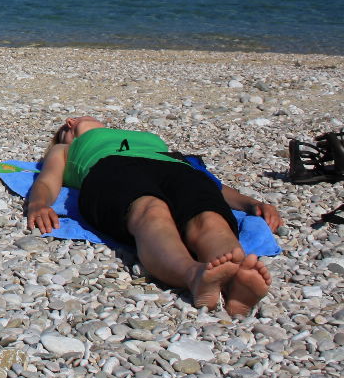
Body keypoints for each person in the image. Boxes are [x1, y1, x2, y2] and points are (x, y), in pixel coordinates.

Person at [25, 116, 282, 316]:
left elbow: (213, 185)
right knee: (150, 211)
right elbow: (47, 179)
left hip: (175, 166)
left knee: (209, 217)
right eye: (68, 126)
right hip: (111, 167)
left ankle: (236, 279)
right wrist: (38, 203)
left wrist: (251, 203)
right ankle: (194, 275)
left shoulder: (146, 140)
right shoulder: (66, 148)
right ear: (70, 125)